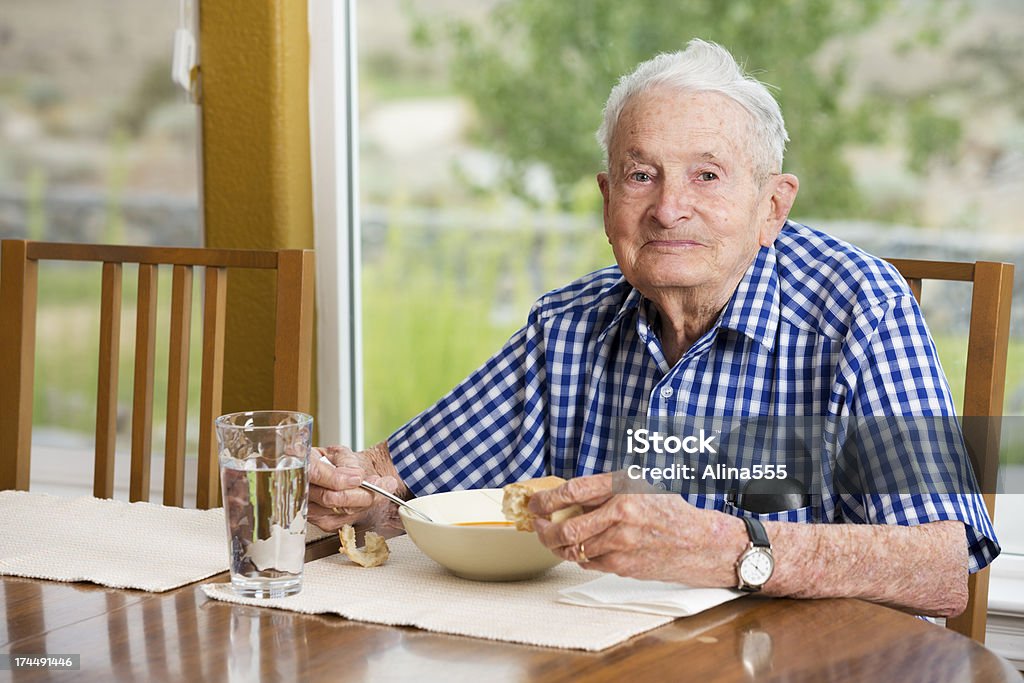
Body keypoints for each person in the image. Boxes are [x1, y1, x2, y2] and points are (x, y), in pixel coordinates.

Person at [309, 39, 997, 617]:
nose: (670, 209)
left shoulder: (860, 310)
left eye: (707, 175)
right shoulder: (569, 325)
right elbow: (396, 486)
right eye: (642, 174)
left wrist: (732, 547)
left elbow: (943, 564)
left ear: (771, 207)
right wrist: (345, 491)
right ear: (609, 201)